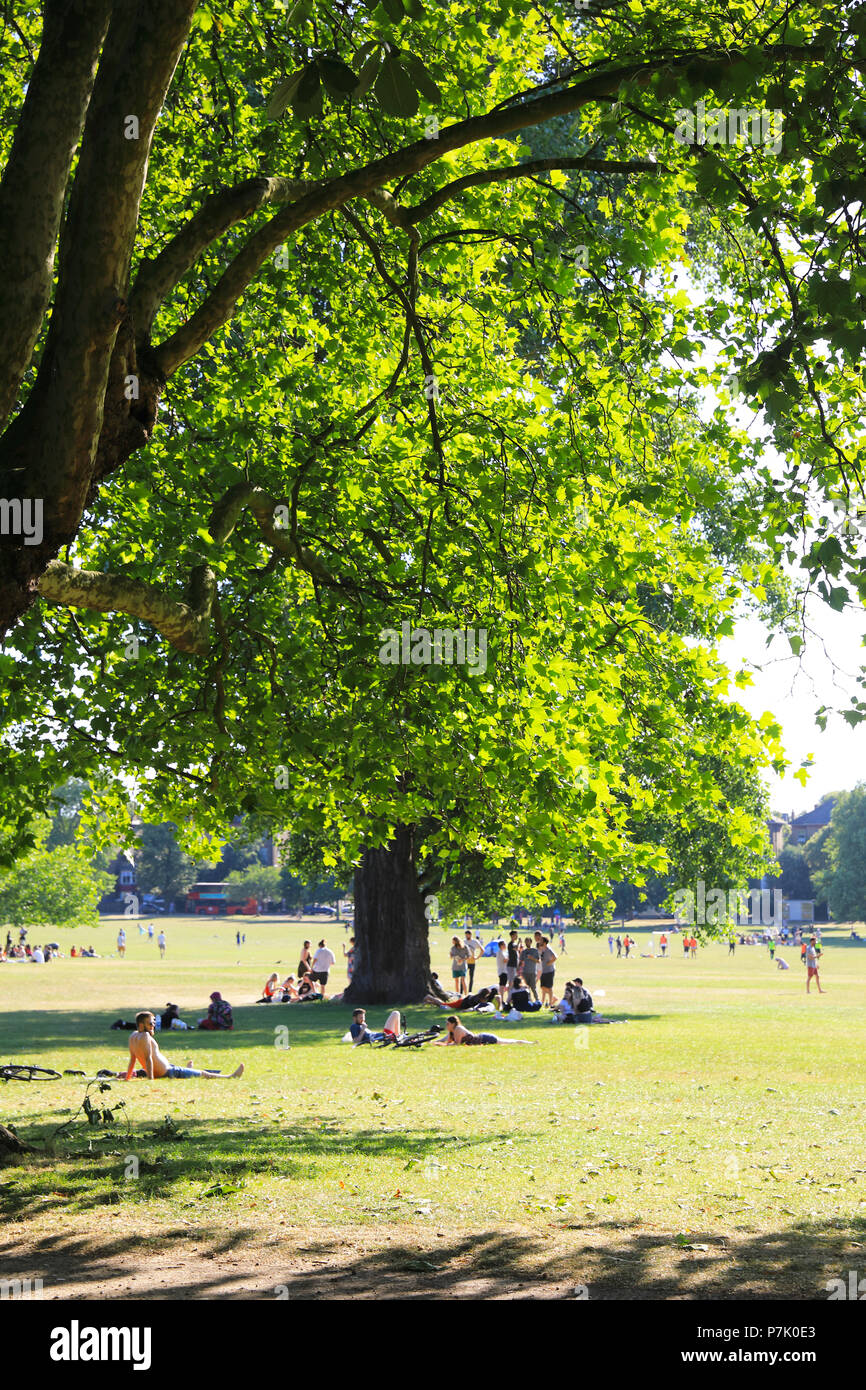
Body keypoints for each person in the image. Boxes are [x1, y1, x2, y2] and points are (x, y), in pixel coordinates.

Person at [125, 1012, 243, 1079]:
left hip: (166, 1069)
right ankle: (230, 1077)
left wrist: (127, 1077)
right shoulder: (145, 1036)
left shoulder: (133, 1036)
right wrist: (150, 1079)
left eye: (154, 1022)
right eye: (151, 1023)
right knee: (203, 1074)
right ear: (141, 1025)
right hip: (169, 1072)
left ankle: (189, 1069)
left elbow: (133, 1060)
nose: (153, 1025)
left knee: (188, 1071)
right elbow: (148, 1059)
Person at [434, 1015, 536, 1046]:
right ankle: (524, 1042)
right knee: (507, 1041)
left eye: (448, 1024)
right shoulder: (452, 1031)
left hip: (485, 1039)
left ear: (453, 1024)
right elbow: (445, 1039)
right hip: (482, 1037)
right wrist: (434, 1042)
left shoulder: (458, 1029)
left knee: (508, 1042)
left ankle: (530, 1043)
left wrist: (442, 1045)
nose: (446, 1026)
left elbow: (457, 1044)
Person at [520, 936, 540, 1001]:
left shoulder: (535, 951)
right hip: (525, 972)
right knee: (526, 988)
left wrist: (532, 958)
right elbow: (520, 961)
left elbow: (538, 961)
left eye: (528, 941)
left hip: (532, 972)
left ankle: (537, 1000)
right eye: (526, 942)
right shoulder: (524, 951)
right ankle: (528, 1000)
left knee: (533, 987)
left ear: (531, 942)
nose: (527, 943)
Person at [539, 936, 557, 1007]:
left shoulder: (548, 949)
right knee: (542, 986)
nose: (539, 941)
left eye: (541, 940)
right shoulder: (542, 949)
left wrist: (549, 963)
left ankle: (550, 1003)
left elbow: (555, 957)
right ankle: (551, 998)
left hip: (549, 971)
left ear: (544, 942)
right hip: (543, 971)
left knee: (549, 987)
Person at [495, 939, 509, 1007]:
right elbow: (505, 960)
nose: (505, 946)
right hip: (502, 971)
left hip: (504, 970)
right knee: (502, 986)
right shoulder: (500, 952)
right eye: (504, 944)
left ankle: (502, 999)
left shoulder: (503, 952)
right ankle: (501, 1000)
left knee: (503, 986)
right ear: (501, 945)